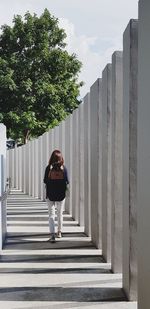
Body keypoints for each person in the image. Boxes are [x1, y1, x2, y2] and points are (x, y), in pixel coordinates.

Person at [44, 149, 69, 243]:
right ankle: (59, 232)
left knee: (51, 215)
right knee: (60, 213)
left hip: (50, 194)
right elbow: (67, 181)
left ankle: (52, 235)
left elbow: (45, 180)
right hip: (61, 194)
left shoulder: (48, 168)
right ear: (61, 158)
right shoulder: (64, 168)